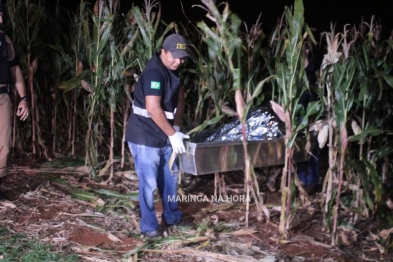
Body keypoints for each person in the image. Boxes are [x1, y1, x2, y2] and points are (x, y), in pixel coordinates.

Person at [125, 34, 192, 238]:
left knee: (170, 180)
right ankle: (149, 226)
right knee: (149, 185)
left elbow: (180, 98)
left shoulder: (173, 71)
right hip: (146, 137)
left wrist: (177, 127)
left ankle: (172, 217)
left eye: (182, 58)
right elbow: (153, 108)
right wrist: (173, 134)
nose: (178, 61)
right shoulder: (154, 72)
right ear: (163, 51)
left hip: (166, 134)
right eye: (174, 56)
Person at [0, 3, 29, 200]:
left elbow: (15, 70)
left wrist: (24, 98)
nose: (1, 20)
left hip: (3, 97)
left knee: (3, 144)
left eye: (2, 16)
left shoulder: (6, 41)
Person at [296, 45, 320, 195]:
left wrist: (312, 116)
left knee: (312, 149)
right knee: (299, 149)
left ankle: (313, 180)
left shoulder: (313, 69)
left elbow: (314, 94)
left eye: (305, 49)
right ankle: (302, 179)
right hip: (297, 114)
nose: (304, 51)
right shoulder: (294, 72)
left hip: (311, 113)